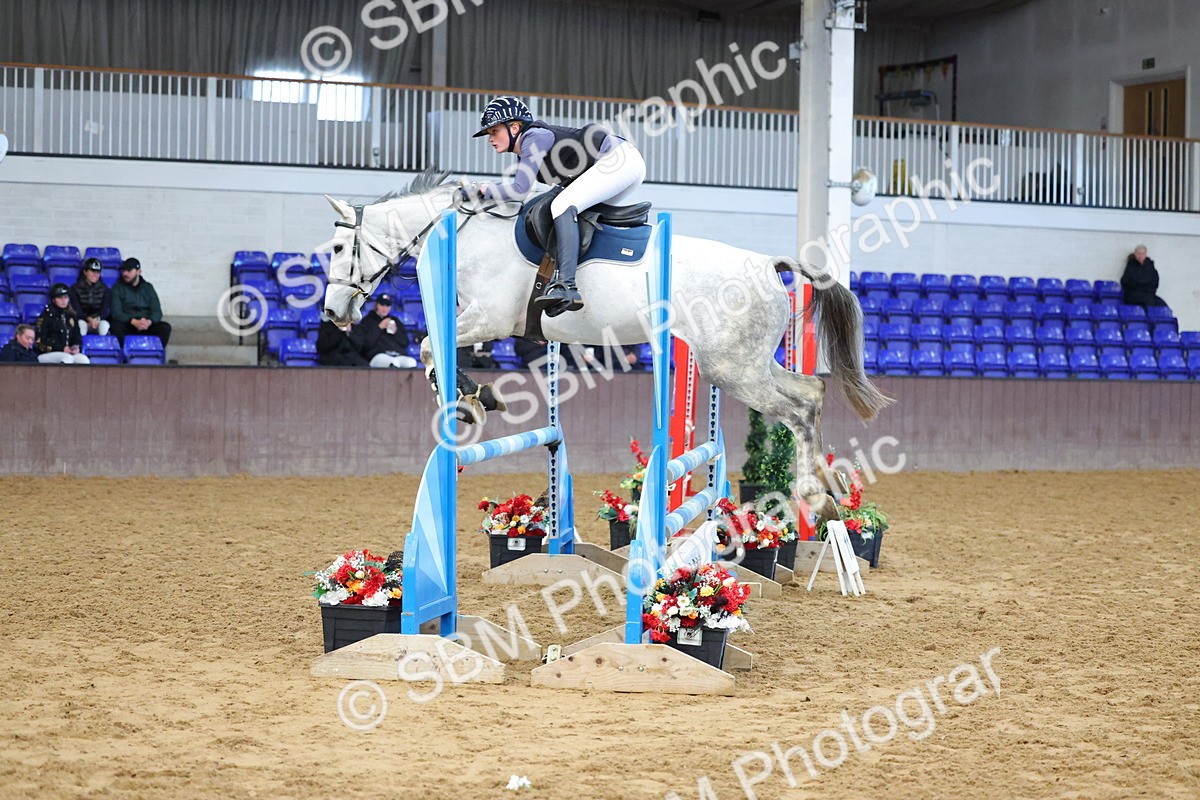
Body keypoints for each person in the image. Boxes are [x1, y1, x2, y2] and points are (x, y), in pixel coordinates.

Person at [466, 96, 646, 316]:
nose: (490, 139)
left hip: (618, 160)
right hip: (621, 163)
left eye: (494, 131)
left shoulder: (533, 137)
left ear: (514, 127)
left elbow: (519, 189)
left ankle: (567, 285)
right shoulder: (528, 148)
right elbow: (526, 194)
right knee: (571, 212)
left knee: (562, 205)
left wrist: (484, 190)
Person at [110, 257, 172, 344]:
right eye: (123, 270)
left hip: (146, 325)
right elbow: (116, 312)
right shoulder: (117, 288)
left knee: (165, 327)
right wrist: (133, 321)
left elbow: (157, 312)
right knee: (115, 326)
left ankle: (156, 354)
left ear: (138, 271)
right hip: (128, 324)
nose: (125, 273)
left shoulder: (148, 288)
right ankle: (124, 354)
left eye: (129, 270)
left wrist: (149, 322)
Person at [34, 284, 90, 364]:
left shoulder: (71, 316)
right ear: (53, 300)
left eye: (65, 297)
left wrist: (76, 346)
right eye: (60, 298)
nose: (63, 301)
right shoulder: (46, 317)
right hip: (47, 353)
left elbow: (77, 336)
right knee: (67, 358)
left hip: (68, 352)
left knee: (83, 359)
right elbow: (40, 341)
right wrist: (61, 348)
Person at [359, 294, 417, 368]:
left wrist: (396, 332)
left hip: (397, 354)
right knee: (393, 363)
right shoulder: (367, 320)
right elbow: (365, 345)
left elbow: (405, 343)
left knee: (411, 362)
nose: (385, 308)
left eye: (387, 305)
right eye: (382, 304)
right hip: (377, 356)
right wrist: (379, 327)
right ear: (377, 305)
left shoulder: (395, 321)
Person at [69, 257, 111, 337]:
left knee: (104, 327)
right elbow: (76, 309)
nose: (95, 274)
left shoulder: (105, 289)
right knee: (80, 327)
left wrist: (97, 319)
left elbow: (105, 310)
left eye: (98, 272)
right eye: (92, 271)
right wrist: (88, 319)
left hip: (98, 320)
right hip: (82, 319)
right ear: (85, 271)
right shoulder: (74, 288)